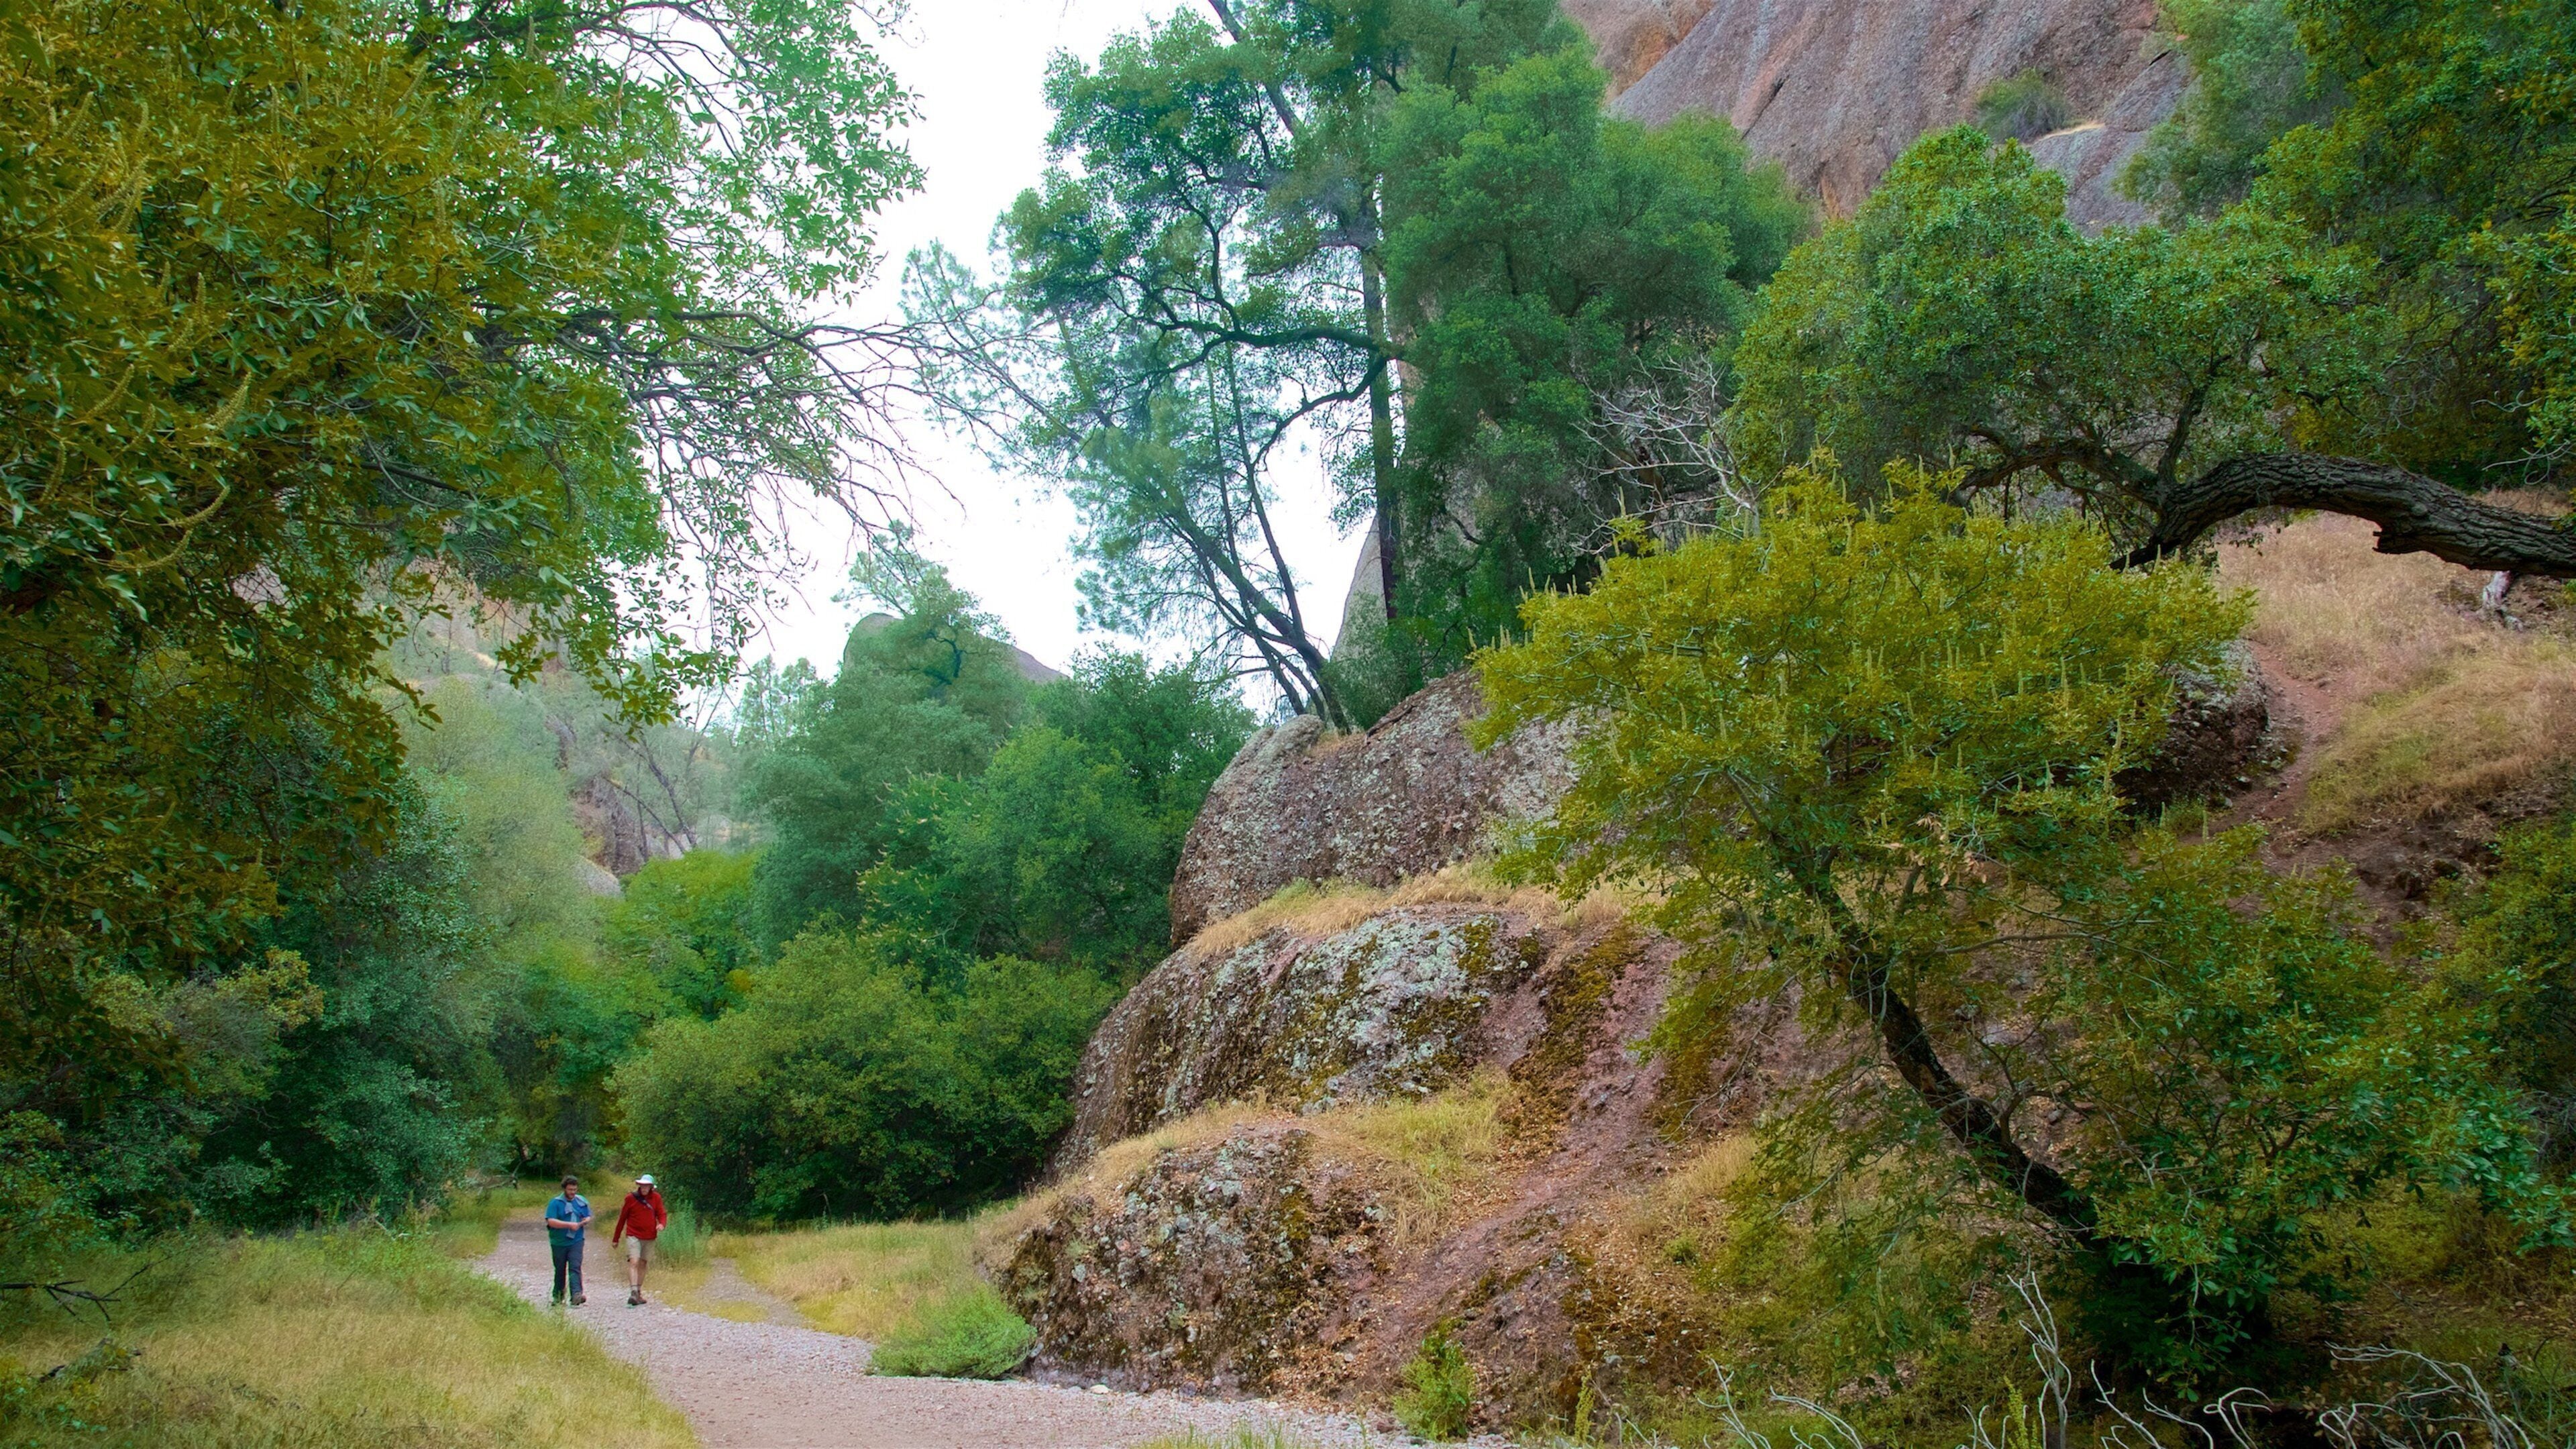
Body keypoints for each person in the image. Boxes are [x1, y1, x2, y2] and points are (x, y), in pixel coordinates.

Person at [610, 1173, 668, 1307]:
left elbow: (662, 1213)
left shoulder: (656, 1198)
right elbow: (622, 1218)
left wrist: (661, 1224)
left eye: (647, 1186)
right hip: (633, 1235)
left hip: (650, 1236)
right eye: (642, 1186)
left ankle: (639, 1292)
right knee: (634, 1261)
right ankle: (633, 1291)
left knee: (643, 1263)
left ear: (651, 1187)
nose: (644, 1188)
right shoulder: (630, 1199)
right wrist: (616, 1238)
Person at [543, 1175, 592, 1307]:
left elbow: (588, 1215)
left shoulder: (581, 1201)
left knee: (575, 1266)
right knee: (560, 1269)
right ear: (565, 1189)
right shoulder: (555, 1203)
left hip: (577, 1240)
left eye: (575, 1189)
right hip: (558, 1242)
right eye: (570, 1189)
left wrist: (586, 1220)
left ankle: (576, 1294)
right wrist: (569, 1225)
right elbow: (551, 1221)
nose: (573, 1192)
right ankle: (558, 1296)